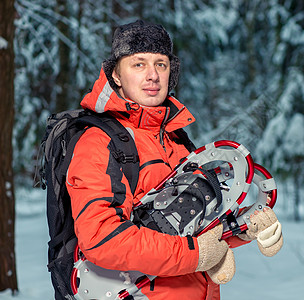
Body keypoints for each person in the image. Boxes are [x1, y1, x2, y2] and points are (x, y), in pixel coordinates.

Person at [66, 20, 283, 300]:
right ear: (117, 76)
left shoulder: (177, 140)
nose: (152, 75)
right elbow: (102, 239)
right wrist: (194, 255)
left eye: (161, 64)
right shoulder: (98, 142)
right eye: (138, 64)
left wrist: (243, 231)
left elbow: (193, 226)